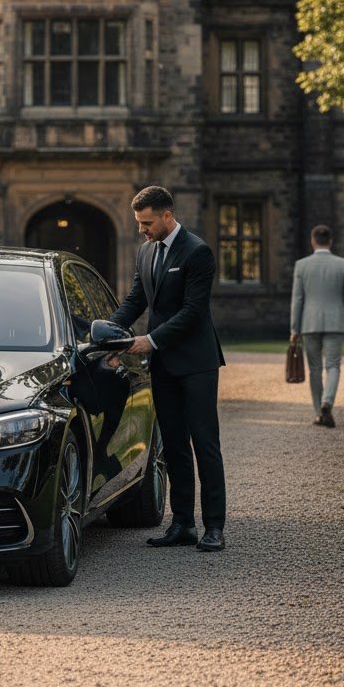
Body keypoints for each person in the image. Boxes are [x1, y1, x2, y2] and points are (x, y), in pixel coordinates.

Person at [109, 186, 227, 551]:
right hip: (164, 367)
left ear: (166, 216)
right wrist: (108, 337)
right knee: (173, 444)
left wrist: (150, 340)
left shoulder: (198, 252)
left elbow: (192, 312)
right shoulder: (145, 252)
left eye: (146, 223)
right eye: (139, 223)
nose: (142, 230)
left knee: (205, 445)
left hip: (197, 364)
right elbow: (134, 300)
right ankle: (182, 524)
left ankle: (214, 527)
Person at [289, 224, 344, 428]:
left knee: (314, 369)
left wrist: (294, 329)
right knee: (333, 365)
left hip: (309, 323)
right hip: (336, 322)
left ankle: (320, 413)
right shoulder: (343, 264)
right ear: (330, 242)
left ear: (313, 241)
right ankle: (327, 402)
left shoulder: (301, 265)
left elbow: (297, 300)